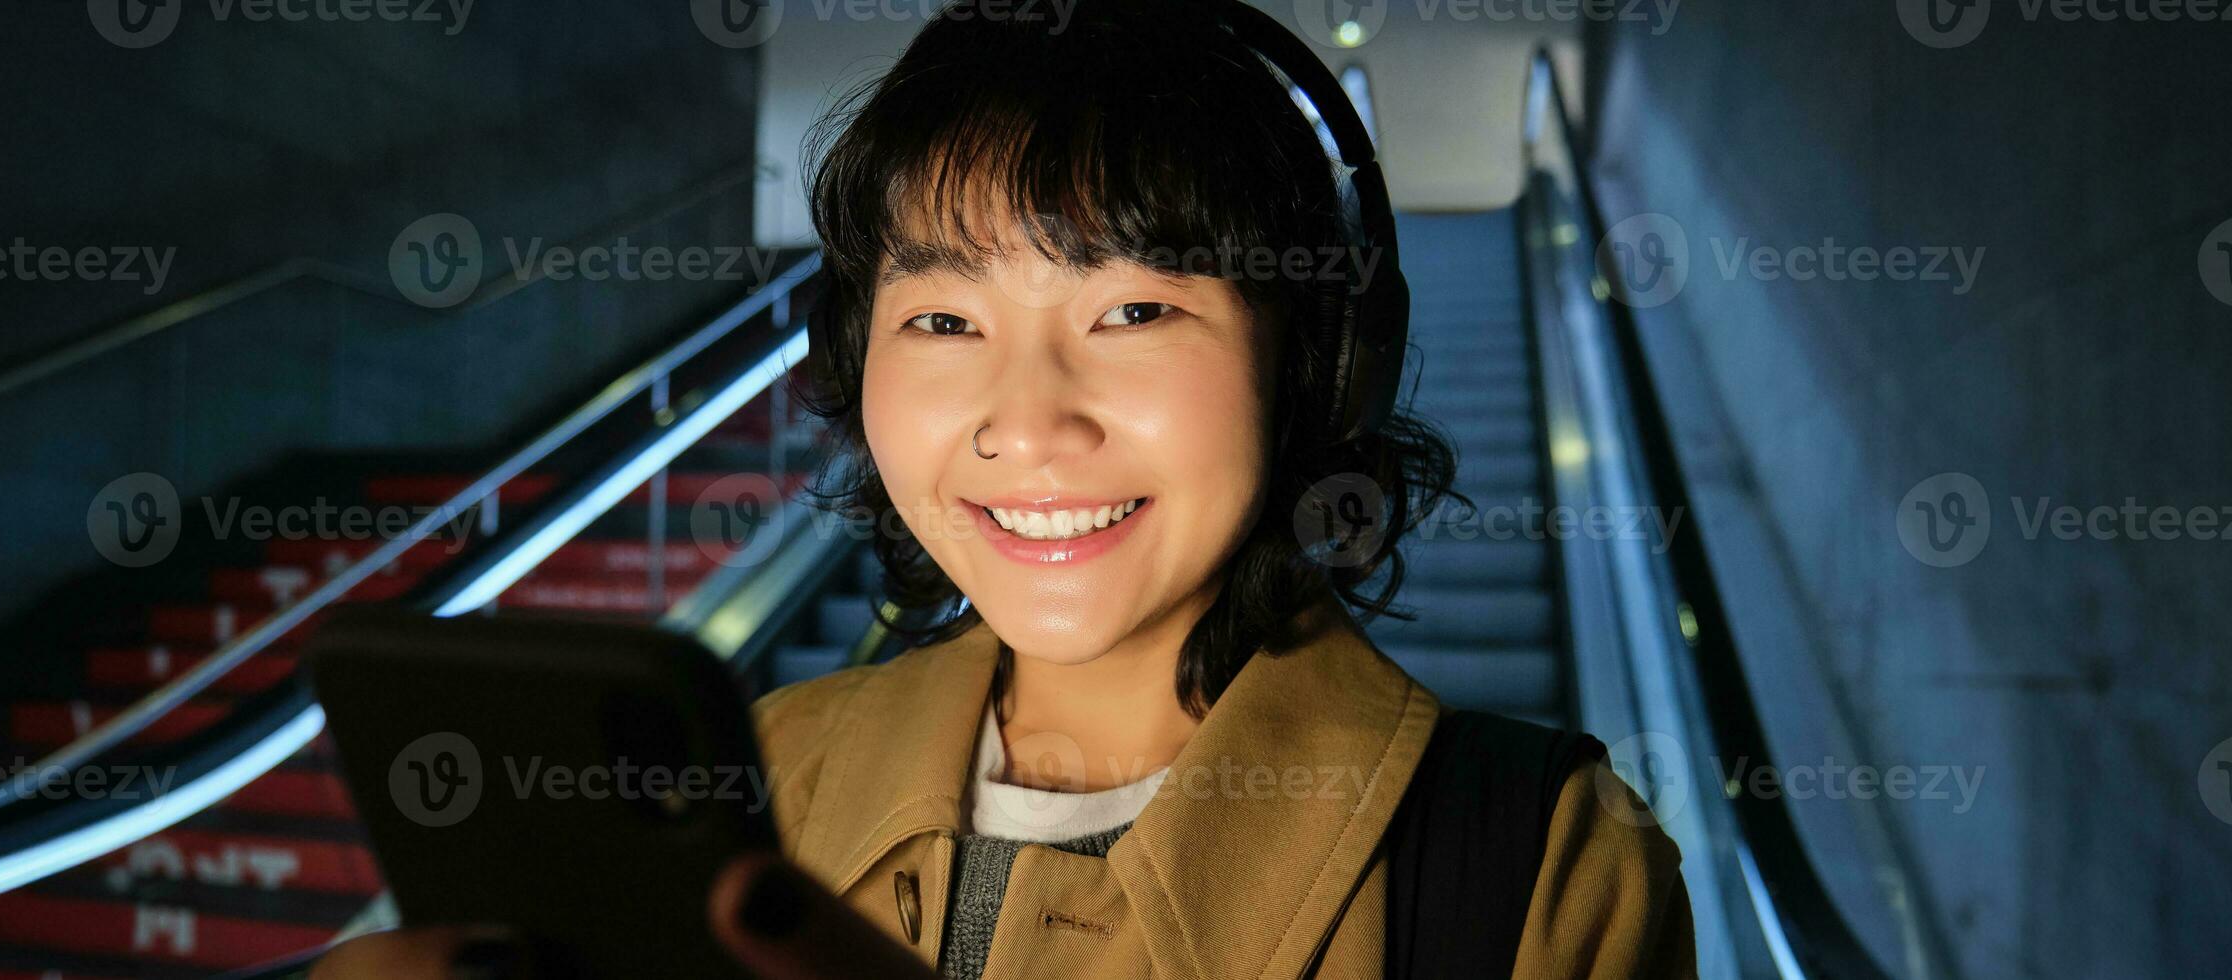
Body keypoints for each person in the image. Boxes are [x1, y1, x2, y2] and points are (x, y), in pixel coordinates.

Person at [318, 2, 1693, 976]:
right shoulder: (757, 784)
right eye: (941, 322)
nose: (1025, 426)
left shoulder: (1533, 867)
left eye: (1136, 312)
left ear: (1316, 358)